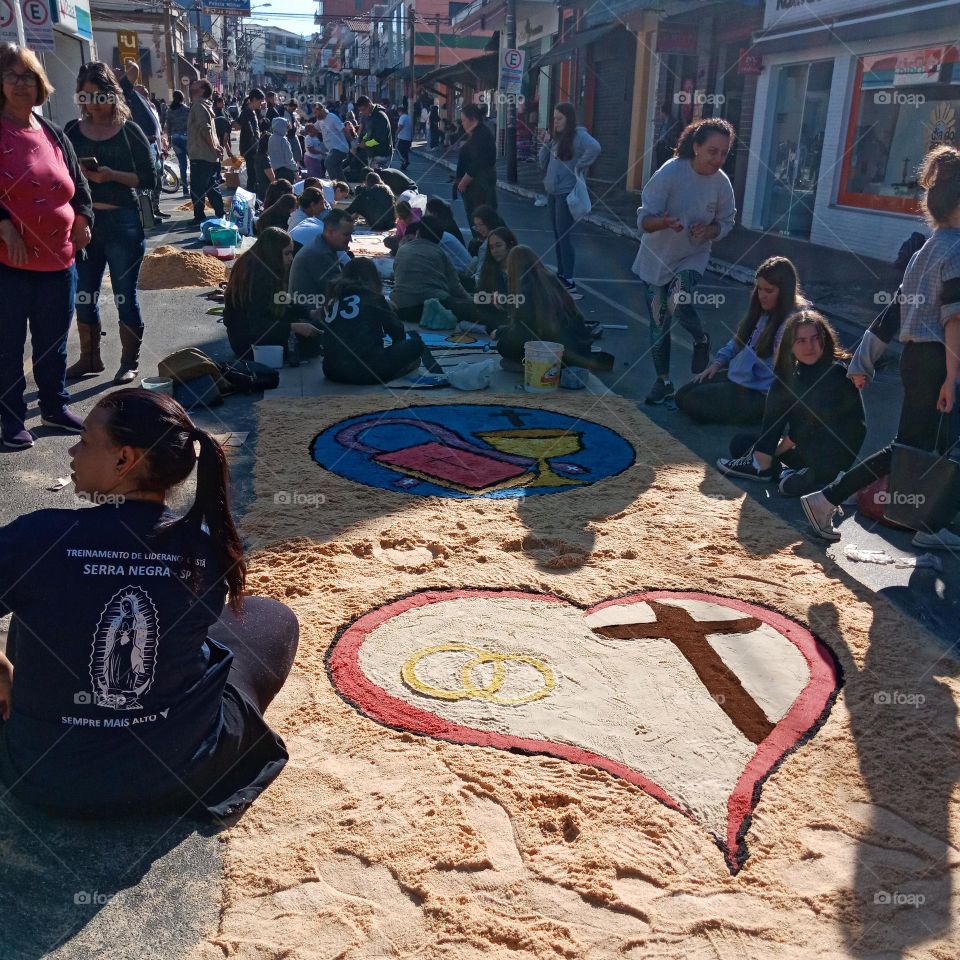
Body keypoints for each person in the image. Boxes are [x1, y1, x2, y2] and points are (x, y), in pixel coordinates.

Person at [0, 388, 297, 818]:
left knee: (42, 601)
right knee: (271, 615)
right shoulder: (204, 549)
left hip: (43, 774)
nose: (72, 449)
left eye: (84, 440)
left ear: (124, 460)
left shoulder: (37, 537)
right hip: (176, 773)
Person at [801, 146, 960, 549]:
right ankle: (828, 499)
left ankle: (927, 524)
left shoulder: (925, 250)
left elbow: (893, 312)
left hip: (918, 358)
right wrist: (952, 377)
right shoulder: (956, 250)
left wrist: (863, 361)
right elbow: (954, 318)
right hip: (938, 360)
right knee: (915, 446)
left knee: (928, 445)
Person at [0, 45, 92, 449]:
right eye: (13, 76)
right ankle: (11, 420)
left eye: (29, 77)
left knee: (53, 341)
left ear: (40, 84)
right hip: (10, 264)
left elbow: (79, 184)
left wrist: (85, 219)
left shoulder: (51, 129)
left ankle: (55, 406)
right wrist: (5, 226)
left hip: (60, 261)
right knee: (6, 346)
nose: (21, 84)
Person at [632, 117, 737, 406]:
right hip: (657, 256)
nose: (718, 159)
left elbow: (726, 221)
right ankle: (663, 381)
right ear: (696, 147)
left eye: (724, 153)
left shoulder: (721, 183)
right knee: (658, 321)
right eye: (713, 151)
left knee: (678, 299)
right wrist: (662, 222)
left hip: (693, 253)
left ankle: (700, 338)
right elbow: (643, 221)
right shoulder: (670, 173)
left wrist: (709, 231)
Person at [64, 61, 157, 385]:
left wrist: (110, 175)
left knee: (123, 296)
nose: (91, 102)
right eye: (84, 96)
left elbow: (149, 177)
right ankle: (90, 359)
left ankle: (128, 362)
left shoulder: (128, 130)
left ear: (110, 94)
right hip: (84, 223)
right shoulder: (72, 131)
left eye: (97, 95)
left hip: (123, 223)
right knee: (84, 295)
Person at [715, 312, 865, 498]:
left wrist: (772, 451)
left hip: (832, 458)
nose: (809, 346)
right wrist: (768, 449)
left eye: (815, 339)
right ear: (790, 345)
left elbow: (804, 429)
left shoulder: (835, 373)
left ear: (824, 340)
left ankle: (765, 465)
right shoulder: (799, 373)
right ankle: (786, 472)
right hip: (810, 450)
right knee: (740, 443)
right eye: (801, 341)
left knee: (780, 387)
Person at [674, 257, 807, 425]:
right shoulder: (762, 310)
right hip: (740, 379)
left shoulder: (791, 323)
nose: (762, 296)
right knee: (681, 396)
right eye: (759, 289)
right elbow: (738, 342)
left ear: (785, 291)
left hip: (759, 392)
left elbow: (786, 373)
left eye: (769, 291)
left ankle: (756, 413)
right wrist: (717, 364)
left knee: (694, 402)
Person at [496, 246, 606, 370]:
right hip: (579, 350)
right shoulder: (550, 279)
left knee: (503, 345)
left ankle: (533, 367)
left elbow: (522, 332)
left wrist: (501, 331)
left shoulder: (524, 291)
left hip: (556, 356)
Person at [224, 226, 322, 361]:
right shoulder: (256, 277)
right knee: (311, 345)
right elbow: (256, 326)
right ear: (273, 253)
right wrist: (294, 327)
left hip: (247, 334)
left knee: (312, 331)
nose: (291, 258)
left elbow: (280, 298)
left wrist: (309, 313)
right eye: (287, 254)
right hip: (247, 343)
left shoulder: (261, 264)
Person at [321, 257, 423, 384]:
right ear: (373, 278)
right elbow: (397, 332)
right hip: (368, 371)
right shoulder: (373, 298)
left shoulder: (333, 298)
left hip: (331, 370)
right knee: (415, 344)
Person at [539, 102, 601, 300]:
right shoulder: (558, 139)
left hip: (565, 193)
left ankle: (569, 279)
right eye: (554, 118)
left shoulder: (578, 135)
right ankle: (561, 274)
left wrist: (580, 167)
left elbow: (595, 147)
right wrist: (546, 143)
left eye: (559, 119)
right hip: (552, 192)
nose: (555, 122)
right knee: (557, 236)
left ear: (569, 119)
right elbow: (543, 162)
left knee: (564, 236)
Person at [391, 215, 496, 327]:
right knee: (470, 309)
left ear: (418, 232)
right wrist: (471, 302)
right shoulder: (440, 253)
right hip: (430, 307)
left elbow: (397, 273)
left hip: (401, 309)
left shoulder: (402, 250)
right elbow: (455, 287)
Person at [288, 207, 353, 305]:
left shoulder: (324, 246)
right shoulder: (320, 254)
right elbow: (341, 291)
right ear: (330, 232)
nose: (350, 239)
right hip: (308, 315)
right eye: (346, 235)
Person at [187, 79, 224, 225]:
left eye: (196, 83)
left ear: (202, 90)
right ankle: (221, 213)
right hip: (210, 155)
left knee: (197, 187)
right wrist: (215, 146)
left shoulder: (198, 105)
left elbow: (205, 128)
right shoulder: (207, 105)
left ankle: (199, 216)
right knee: (211, 186)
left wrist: (214, 146)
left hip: (200, 153)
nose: (192, 84)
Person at [456, 103, 497, 227]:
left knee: (480, 219)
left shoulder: (481, 135)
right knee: (475, 217)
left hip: (479, 185)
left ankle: (483, 243)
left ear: (473, 119)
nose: (462, 123)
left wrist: (463, 181)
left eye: (464, 120)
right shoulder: (475, 133)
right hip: (474, 185)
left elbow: (477, 163)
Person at [313, 102, 349, 180]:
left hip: (340, 148)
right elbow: (314, 128)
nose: (314, 115)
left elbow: (344, 130)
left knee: (328, 163)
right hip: (332, 149)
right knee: (338, 170)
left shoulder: (333, 118)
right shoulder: (320, 120)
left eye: (316, 112)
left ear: (321, 110)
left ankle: (335, 185)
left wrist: (352, 142)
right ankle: (347, 189)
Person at [164, 89, 190, 198]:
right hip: (186, 137)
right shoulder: (186, 109)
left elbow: (168, 126)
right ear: (182, 98)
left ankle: (185, 190)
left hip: (175, 138)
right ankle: (194, 188)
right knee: (193, 162)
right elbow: (191, 123)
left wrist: (169, 141)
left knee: (182, 165)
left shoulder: (169, 110)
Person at [354, 95, 392, 169]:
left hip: (381, 154)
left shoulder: (379, 116)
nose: (362, 113)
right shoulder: (371, 115)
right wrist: (364, 140)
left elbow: (379, 138)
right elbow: (369, 132)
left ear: (369, 104)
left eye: (363, 109)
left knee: (377, 179)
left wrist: (366, 144)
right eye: (360, 110)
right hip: (374, 154)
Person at [238, 88, 264, 194]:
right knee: (252, 176)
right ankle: (249, 198)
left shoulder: (253, 111)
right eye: (260, 101)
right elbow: (242, 127)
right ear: (253, 99)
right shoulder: (246, 112)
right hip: (250, 149)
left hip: (254, 148)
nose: (261, 103)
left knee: (254, 176)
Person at [267, 115, 297, 184]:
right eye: (286, 127)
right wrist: (295, 169)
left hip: (275, 170)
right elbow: (289, 158)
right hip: (286, 171)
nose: (287, 130)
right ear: (282, 127)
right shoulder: (283, 140)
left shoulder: (271, 138)